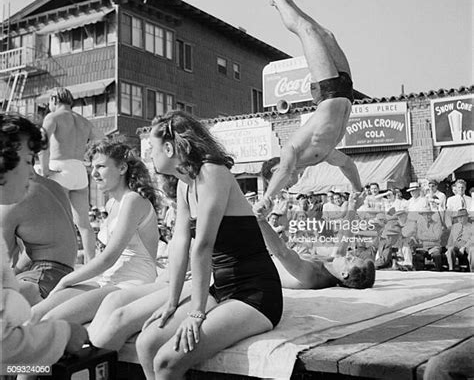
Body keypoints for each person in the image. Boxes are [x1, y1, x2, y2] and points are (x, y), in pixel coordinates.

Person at [135, 111, 283, 380]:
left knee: (167, 361)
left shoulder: (212, 172)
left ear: (169, 148)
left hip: (254, 294)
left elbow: (202, 245)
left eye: (152, 149)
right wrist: (171, 302)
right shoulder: (185, 184)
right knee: (146, 344)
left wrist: (196, 311)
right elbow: (179, 245)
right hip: (222, 289)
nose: (149, 156)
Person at [254, 0, 362, 216]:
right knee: (326, 34)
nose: (289, 187)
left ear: (274, 171)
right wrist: (358, 189)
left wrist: (267, 199)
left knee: (306, 30)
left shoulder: (289, 152)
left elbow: (283, 171)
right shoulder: (316, 156)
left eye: (283, 184)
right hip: (345, 91)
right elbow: (347, 164)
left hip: (328, 92)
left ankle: (278, 0)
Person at [30, 139, 159, 325]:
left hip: (130, 283)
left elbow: (108, 258)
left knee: (51, 320)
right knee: (35, 313)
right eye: (92, 167)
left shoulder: (133, 201)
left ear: (122, 168)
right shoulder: (112, 203)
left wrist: (67, 279)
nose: (94, 173)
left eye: (101, 167)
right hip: (105, 280)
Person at [0, 113, 88, 367]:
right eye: (27, 161)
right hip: (59, 271)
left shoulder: (11, 204)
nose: (31, 170)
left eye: (31, 161)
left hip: (44, 275)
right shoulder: (54, 187)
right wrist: (65, 335)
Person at [256, 193, 375, 289]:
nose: (348, 254)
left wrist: (261, 219)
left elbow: (282, 253)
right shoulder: (332, 263)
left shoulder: (312, 276)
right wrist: (353, 207)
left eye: (349, 259)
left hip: (253, 270)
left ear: (344, 274)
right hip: (262, 258)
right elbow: (344, 236)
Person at [37, 87, 96, 262]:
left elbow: (43, 144)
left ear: (55, 100)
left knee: (54, 219)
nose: (49, 106)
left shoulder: (53, 117)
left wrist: (45, 169)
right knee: (84, 224)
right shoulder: (85, 122)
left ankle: (57, 260)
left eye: (49, 102)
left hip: (59, 168)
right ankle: (90, 263)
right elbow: (103, 140)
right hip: (79, 170)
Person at [2, 171, 78, 305]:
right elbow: (44, 244)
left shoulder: (15, 195)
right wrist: (16, 273)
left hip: (41, 279)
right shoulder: (54, 187)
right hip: (59, 274)